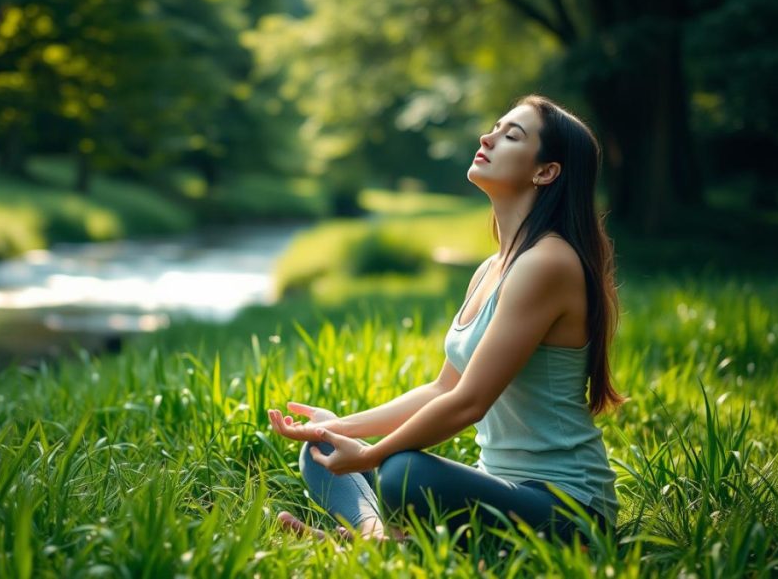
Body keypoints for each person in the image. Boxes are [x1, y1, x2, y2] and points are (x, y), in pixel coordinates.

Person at [267, 94, 626, 544]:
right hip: (502, 489)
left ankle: (381, 542)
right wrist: (333, 428)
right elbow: (444, 387)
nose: (487, 137)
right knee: (318, 449)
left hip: (567, 508)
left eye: (510, 135)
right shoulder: (491, 268)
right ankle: (380, 540)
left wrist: (370, 456)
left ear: (545, 171)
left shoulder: (548, 263)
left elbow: (468, 403)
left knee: (402, 473)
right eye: (494, 127)